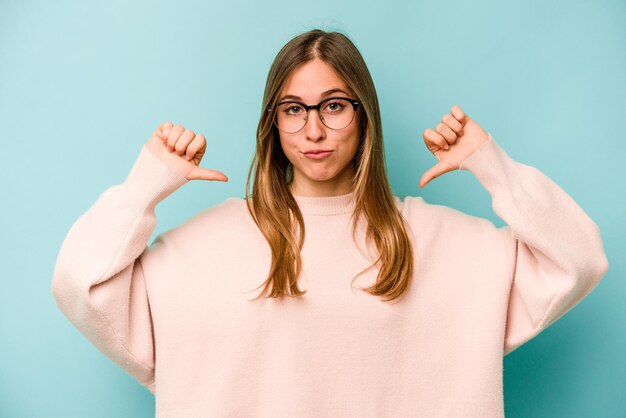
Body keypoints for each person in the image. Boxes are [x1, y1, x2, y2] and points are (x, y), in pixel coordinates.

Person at [51, 29, 608, 417]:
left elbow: (579, 257)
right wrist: (143, 187)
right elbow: (81, 285)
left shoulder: (446, 245)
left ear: (366, 115)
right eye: (293, 109)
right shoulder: (200, 249)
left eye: (334, 105)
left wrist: (494, 166)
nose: (313, 131)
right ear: (272, 122)